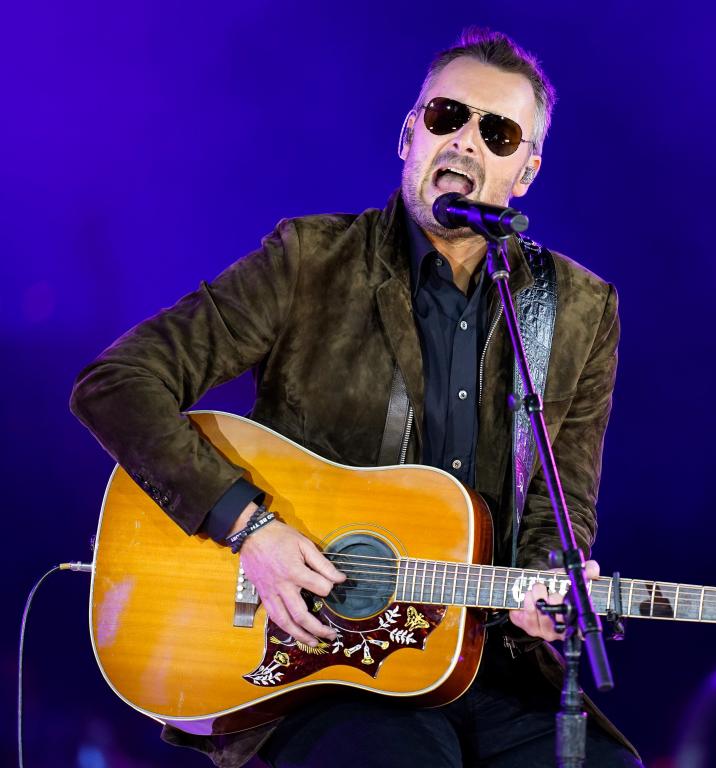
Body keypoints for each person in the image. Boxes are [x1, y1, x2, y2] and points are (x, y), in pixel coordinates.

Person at [71, 27, 640, 768]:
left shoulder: (579, 309)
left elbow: (562, 509)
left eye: (496, 133)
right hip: (318, 662)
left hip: (486, 665)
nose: (466, 143)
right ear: (409, 135)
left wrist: (545, 589)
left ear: (524, 172)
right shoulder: (310, 261)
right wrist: (250, 526)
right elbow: (116, 384)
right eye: (446, 117)